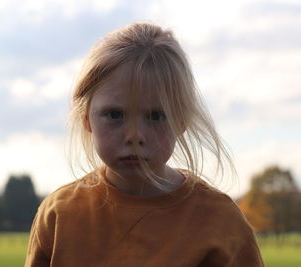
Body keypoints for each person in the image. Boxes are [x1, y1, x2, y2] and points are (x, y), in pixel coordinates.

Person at [25, 23, 264, 267]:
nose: (134, 135)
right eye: (115, 115)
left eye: (156, 116)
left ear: (181, 121)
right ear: (87, 118)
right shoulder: (60, 214)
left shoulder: (220, 222)